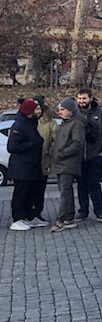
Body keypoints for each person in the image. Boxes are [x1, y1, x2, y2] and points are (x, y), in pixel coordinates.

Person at [73, 88, 102, 222]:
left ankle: (100, 212)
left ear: (90, 98)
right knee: (81, 185)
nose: (81, 101)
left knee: (94, 184)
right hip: (79, 157)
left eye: (84, 98)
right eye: (79, 98)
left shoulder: (100, 114)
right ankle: (83, 211)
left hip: (95, 155)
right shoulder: (74, 113)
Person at [7, 98, 44, 231]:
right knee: (20, 193)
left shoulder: (31, 122)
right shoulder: (19, 125)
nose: (40, 111)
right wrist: (32, 144)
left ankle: (29, 216)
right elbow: (12, 147)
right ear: (29, 112)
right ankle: (17, 219)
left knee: (30, 193)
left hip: (31, 166)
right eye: (37, 109)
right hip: (21, 168)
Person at [50, 98, 86, 233]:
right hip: (61, 162)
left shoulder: (76, 124)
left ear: (70, 110)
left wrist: (62, 153)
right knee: (65, 191)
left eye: (62, 109)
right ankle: (69, 218)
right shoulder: (65, 123)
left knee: (65, 192)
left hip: (68, 162)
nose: (60, 112)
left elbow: (78, 143)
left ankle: (61, 220)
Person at [32, 97, 58, 226]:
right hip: (29, 162)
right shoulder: (28, 120)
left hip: (44, 162)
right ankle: (26, 213)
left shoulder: (50, 122)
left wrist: (49, 153)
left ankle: (37, 213)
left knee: (40, 190)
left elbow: (55, 140)